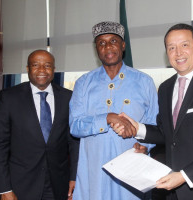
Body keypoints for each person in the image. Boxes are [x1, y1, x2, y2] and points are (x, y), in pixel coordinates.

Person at [115, 23, 193, 200]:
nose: (178, 53)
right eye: (171, 48)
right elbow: (166, 133)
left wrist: (184, 176)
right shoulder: (166, 88)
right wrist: (137, 128)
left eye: (184, 45)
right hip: (172, 193)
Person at [69, 21, 158, 200]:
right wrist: (107, 118)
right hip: (93, 173)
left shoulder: (144, 82)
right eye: (101, 43)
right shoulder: (84, 83)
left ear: (123, 45)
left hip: (131, 173)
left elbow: (154, 125)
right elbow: (75, 126)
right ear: (96, 49)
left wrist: (145, 146)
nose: (107, 46)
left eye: (113, 41)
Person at [0, 50, 79, 200]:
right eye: (35, 65)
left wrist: (74, 177)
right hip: (20, 184)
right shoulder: (9, 97)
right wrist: (4, 188)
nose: (42, 70)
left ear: (54, 70)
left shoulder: (68, 97)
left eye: (47, 65)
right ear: (27, 69)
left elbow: (74, 141)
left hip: (58, 183)